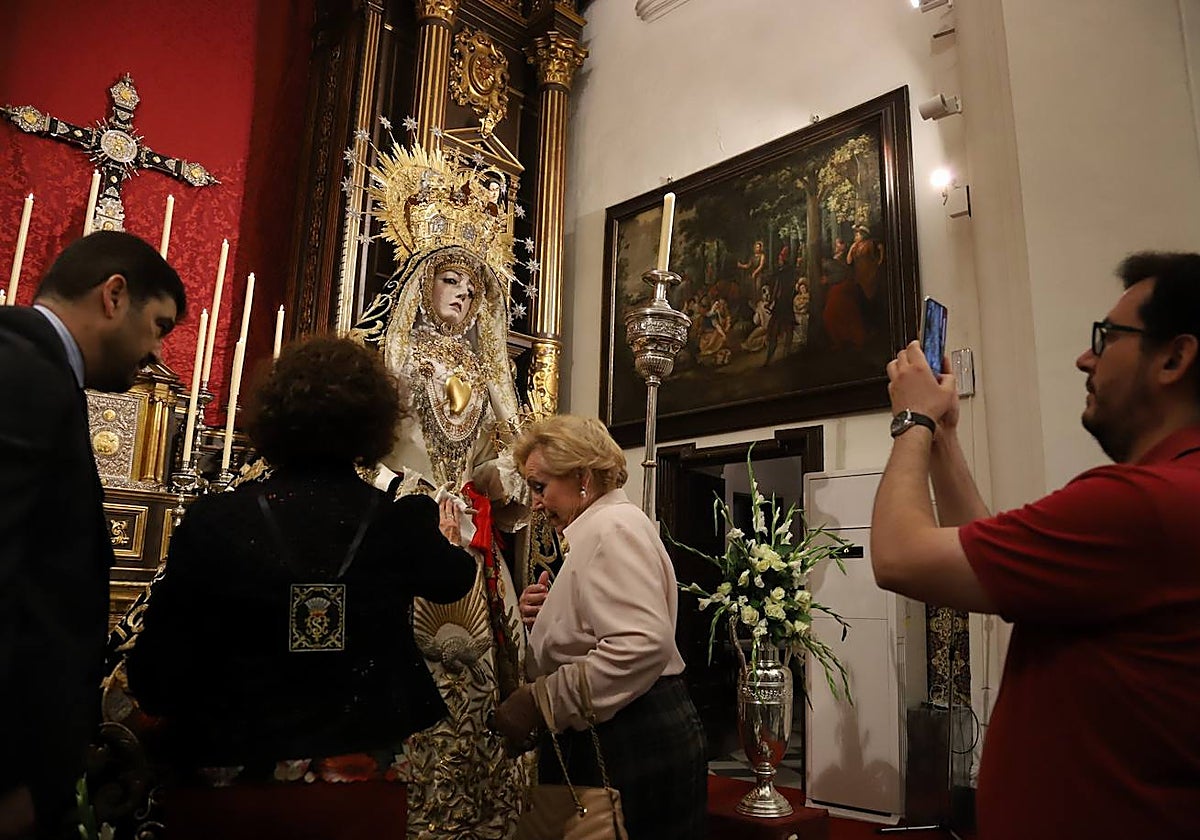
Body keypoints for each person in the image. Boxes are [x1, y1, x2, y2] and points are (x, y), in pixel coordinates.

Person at [870, 252, 1200, 838]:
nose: (1085, 358)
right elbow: (995, 579)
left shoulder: (1145, 504)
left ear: (1174, 357)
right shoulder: (1171, 496)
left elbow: (899, 556)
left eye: (1108, 338)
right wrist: (943, 436)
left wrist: (911, 421)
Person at [126, 337, 476, 787]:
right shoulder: (399, 521)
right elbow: (451, 579)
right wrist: (448, 540)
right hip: (360, 762)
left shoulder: (217, 520)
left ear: (273, 417)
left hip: (233, 758)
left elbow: (160, 664)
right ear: (373, 422)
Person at [0, 231, 183, 840]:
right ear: (113, 295)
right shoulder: (23, 370)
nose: (157, 353)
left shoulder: (36, 369)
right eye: (158, 326)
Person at [493, 415, 707, 840]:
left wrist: (540, 700)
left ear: (582, 476)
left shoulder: (611, 528)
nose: (535, 503)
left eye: (540, 487)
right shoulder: (607, 525)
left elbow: (641, 644)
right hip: (629, 723)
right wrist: (555, 616)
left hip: (628, 734)